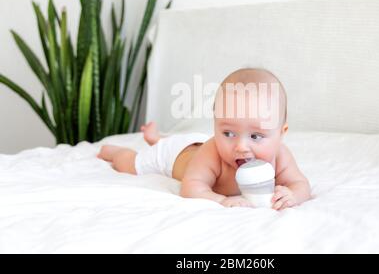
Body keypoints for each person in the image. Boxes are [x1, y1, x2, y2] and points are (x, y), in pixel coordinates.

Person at [98, 68, 311, 210]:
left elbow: (300, 184)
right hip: (173, 156)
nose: (241, 146)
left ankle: (157, 137)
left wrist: (293, 195)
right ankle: (116, 150)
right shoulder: (213, 153)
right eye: (228, 133)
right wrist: (222, 200)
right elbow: (191, 187)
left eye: (256, 136)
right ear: (216, 125)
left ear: (282, 133)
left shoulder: (281, 156)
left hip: (194, 144)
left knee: (189, 145)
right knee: (132, 164)